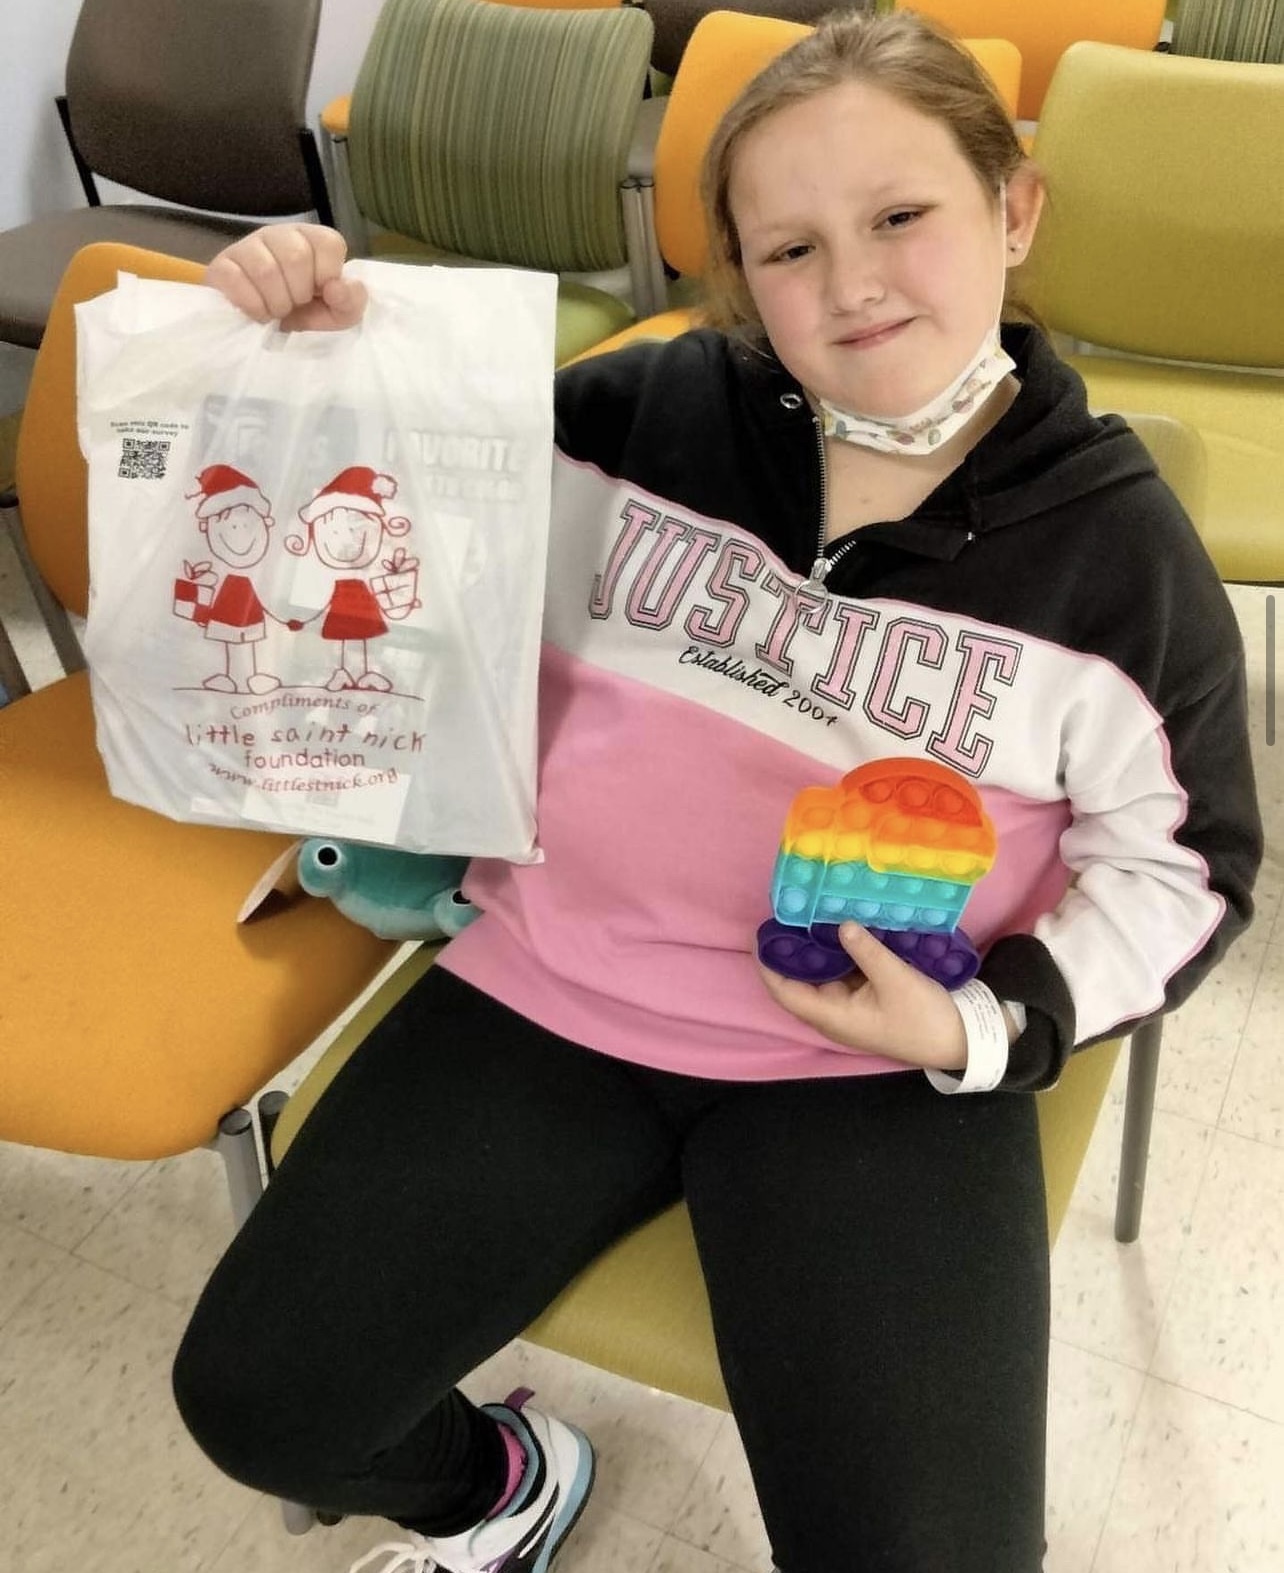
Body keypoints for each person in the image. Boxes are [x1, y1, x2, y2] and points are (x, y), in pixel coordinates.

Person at [171, 11, 1262, 1572]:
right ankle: (501, 1487)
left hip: (871, 1052)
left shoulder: (1117, 557)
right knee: (259, 1402)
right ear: (739, 273)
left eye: (901, 215)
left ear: (1014, 210)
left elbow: (1189, 869)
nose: (854, 282)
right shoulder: (637, 416)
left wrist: (983, 1023)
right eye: (791, 248)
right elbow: (390, 538)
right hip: (554, 986)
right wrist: (317, 354)